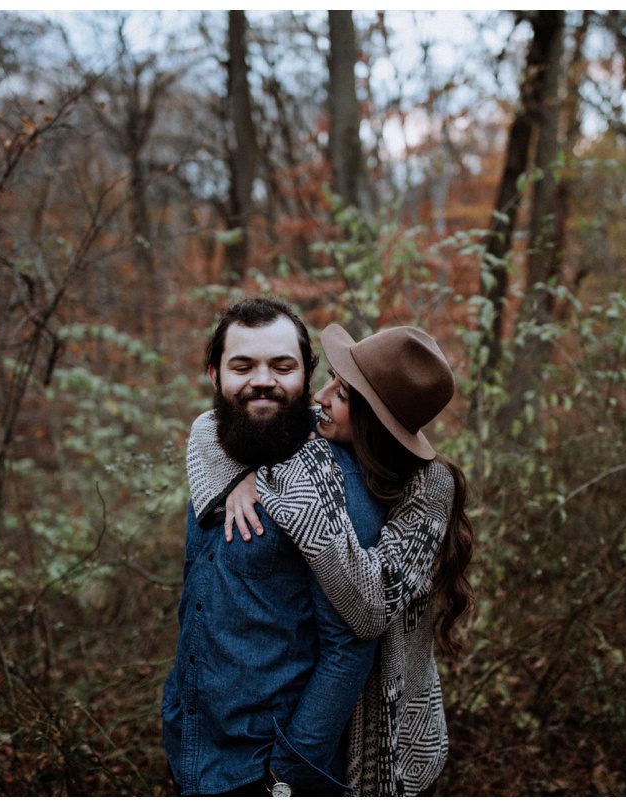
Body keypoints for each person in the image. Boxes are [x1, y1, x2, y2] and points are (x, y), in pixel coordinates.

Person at [190, 323, 475, 796]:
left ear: (374, 421)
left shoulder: (428, 489)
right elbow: (209, 424)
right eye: (330, 381)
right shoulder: (322, 436)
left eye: (340, 394)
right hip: (313, 724)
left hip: (394, 730)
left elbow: (369, 608)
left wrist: (296, 498)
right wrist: (238, 473)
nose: (320, 396)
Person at [161, 298, 386, 796]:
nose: (262, 381)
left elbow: (352, 644)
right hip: (193, 751)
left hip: (267, 771)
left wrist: (288, 770)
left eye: (282, 367)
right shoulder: (213, 461)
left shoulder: (332, 485)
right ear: (214, 375)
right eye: (243, 366)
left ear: (306, 377)